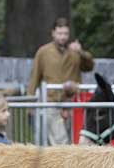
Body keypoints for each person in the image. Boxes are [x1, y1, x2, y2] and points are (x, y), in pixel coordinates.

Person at [26, 17, 94, 145]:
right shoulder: (44, 52)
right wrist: (30, 103)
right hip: (52, 102)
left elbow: (89, 66)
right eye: (60, 33)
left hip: (73, 103)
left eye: (66, 34)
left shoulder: (74, 51)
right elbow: (34, 77)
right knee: (60, 141)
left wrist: (81, 52)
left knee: (75, 140)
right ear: (53, 33)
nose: (63, 37)